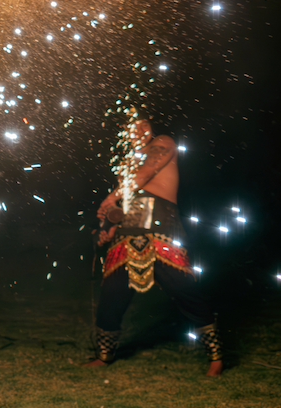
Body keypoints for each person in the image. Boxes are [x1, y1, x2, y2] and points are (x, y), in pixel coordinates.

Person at [85, 116, 223, 376]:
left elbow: (146, 173)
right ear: (124, 132)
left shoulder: (163, 144)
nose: (140, 128)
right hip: (127, 234)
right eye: (132, 125)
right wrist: (108, 229)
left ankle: (216, 356)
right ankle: (104, 356)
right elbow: (127, 204)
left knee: (183, 289)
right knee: (111, 293)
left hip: (162, 230)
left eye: (144, 123)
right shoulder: (127, 163)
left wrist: (112, 196)